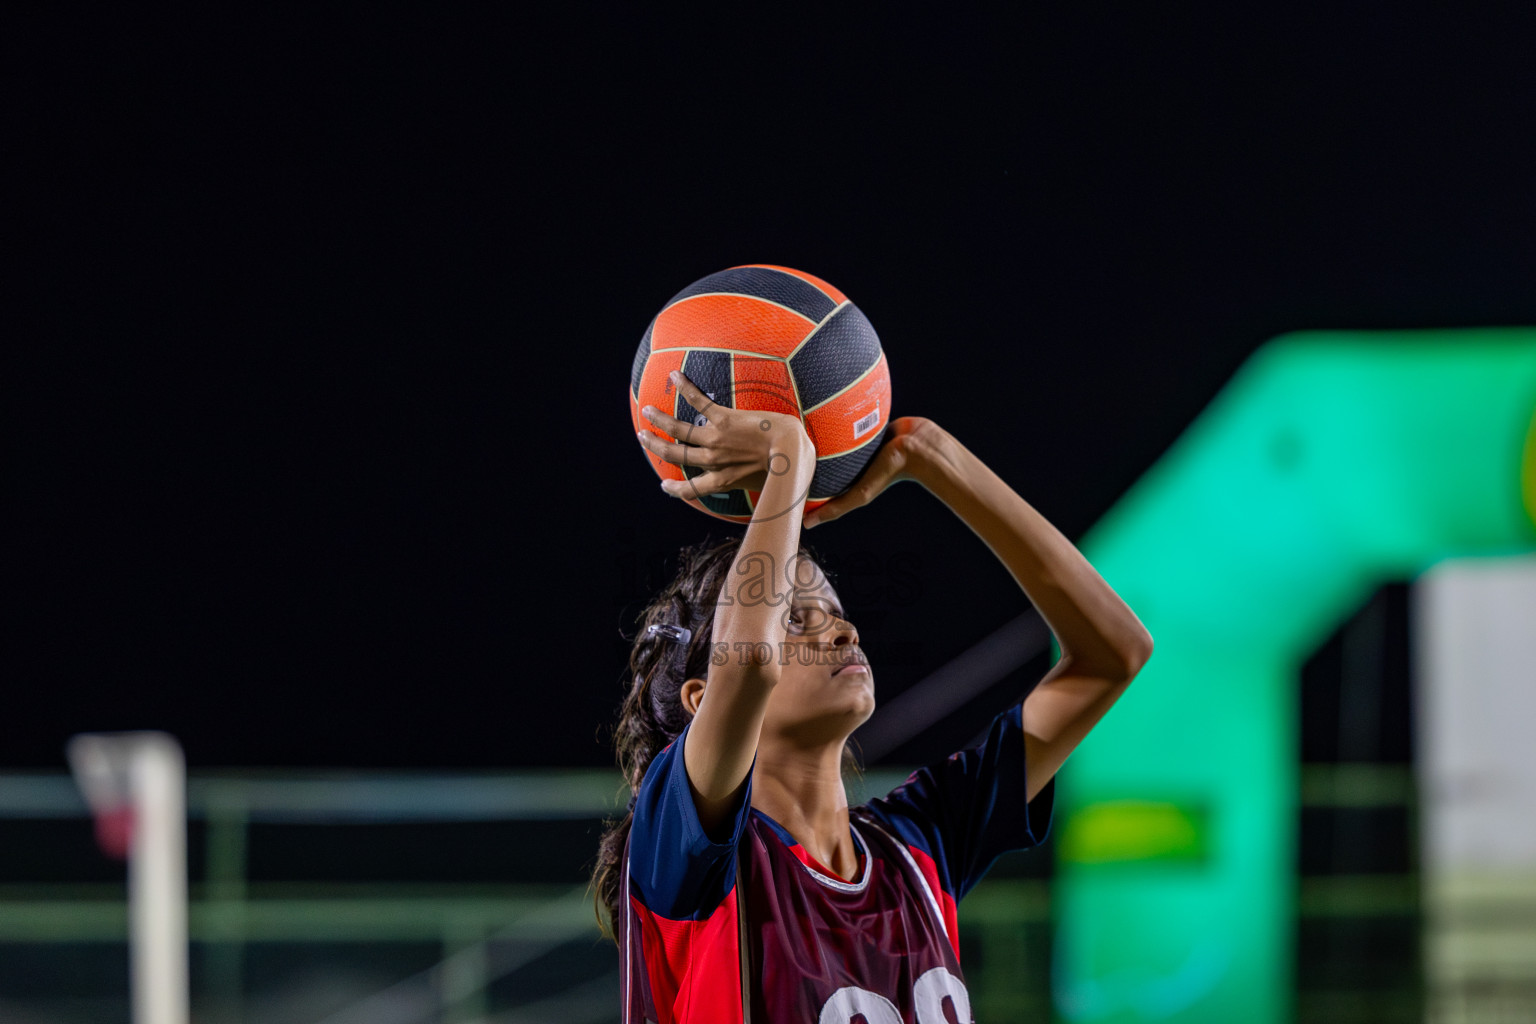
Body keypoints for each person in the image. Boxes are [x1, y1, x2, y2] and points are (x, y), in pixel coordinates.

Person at [593, 368, 1153, 1023]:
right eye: (793, 618)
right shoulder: (684, 845)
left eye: (832, 611)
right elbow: (746, 665)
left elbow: (1113, 654)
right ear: (700, 699)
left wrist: (932, 455)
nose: (841, 629)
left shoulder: (919, 842)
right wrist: (784, 470)